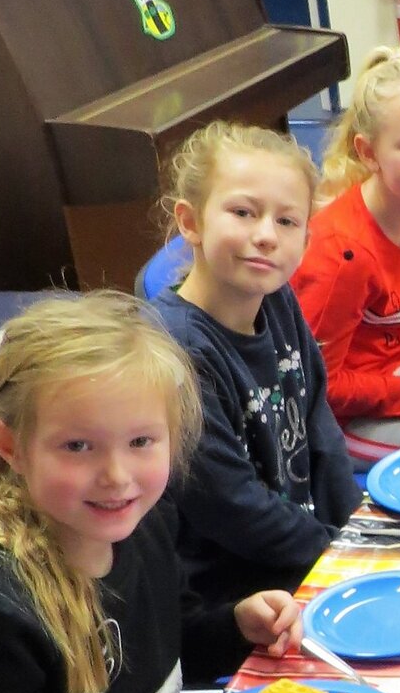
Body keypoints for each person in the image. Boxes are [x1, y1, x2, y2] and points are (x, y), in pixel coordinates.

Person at [0, 292, 301, 693]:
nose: (117, 476)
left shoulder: (146, 522)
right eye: (77, 445)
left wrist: (237, 625)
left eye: (140, 441)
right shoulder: (7, 613)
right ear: (11, 447)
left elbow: (166, 646)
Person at [151, 122, 360, 643]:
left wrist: (357, 535)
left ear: (306, 237)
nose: (266, 235)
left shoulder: (276, 297)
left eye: (287, 221)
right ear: (191, 221)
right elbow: (232, 505)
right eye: (243, 212)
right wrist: (337, 553)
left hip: (309, 558)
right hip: (244, 605)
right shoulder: (175, 352)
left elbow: (319, 427)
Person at [292, 48, 400, 468]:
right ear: (368, 153)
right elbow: (319, 388)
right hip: (336, 422)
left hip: (393, 385)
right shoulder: (341, 255)